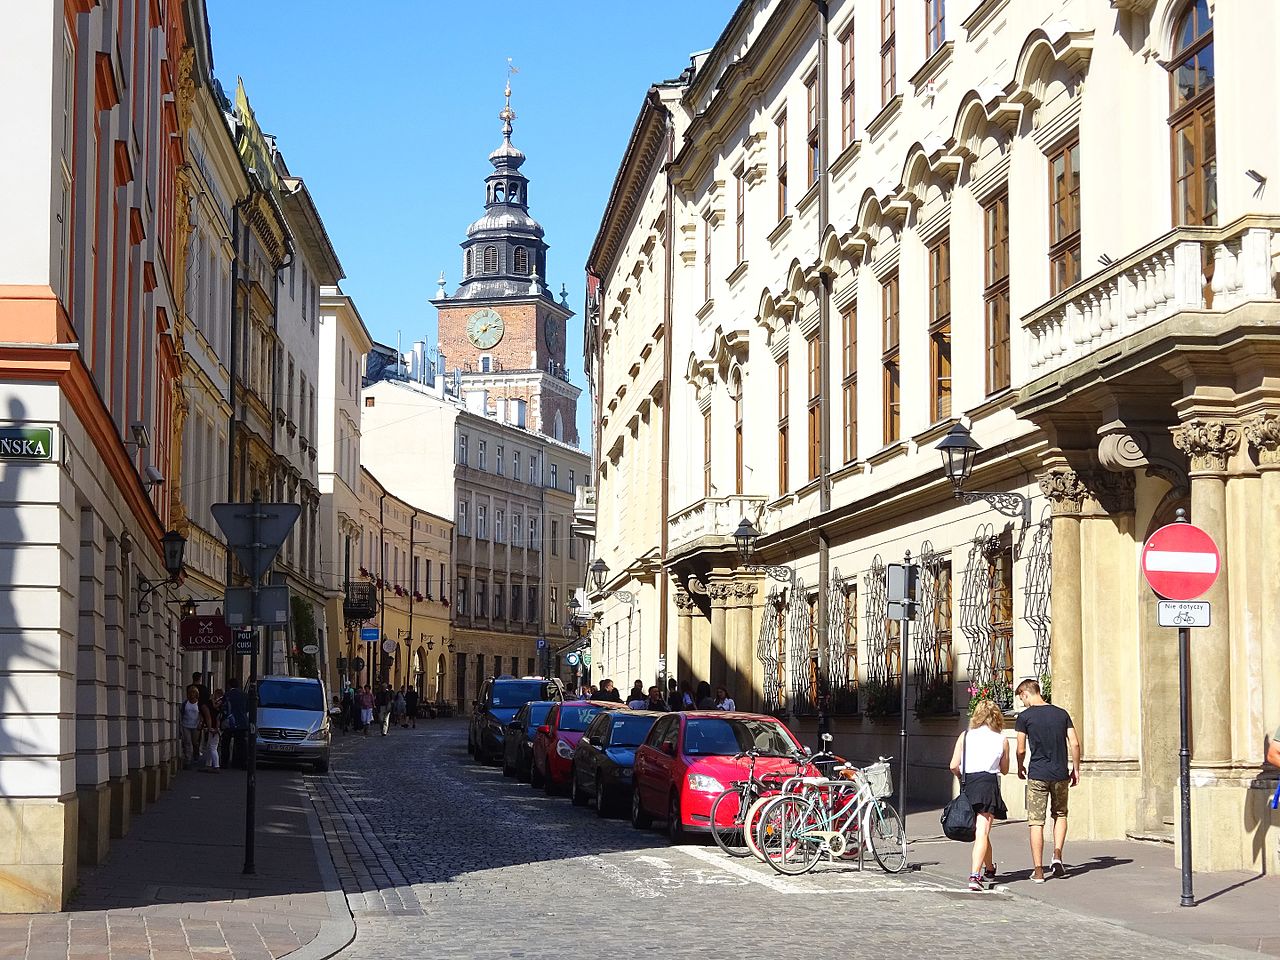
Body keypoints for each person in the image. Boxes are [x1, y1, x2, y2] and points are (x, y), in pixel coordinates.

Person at [1015, 678, 1081, 883]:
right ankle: (1058, 856)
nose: (1023, 703)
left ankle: (1038, 870)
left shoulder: (1024, 717)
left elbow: (1021, 748)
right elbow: (1075, 743)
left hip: (1037, 774)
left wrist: (1019, 767)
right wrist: (1076, 769)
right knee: (1060, 814)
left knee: (1036, 821)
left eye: (1021, 698)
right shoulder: (1061, 714)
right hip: (1060, 772)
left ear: (1026, 693)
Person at [949, 699, 1010, 890]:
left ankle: (990, 868)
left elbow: (953, 765)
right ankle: (975, 876)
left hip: (969, 784)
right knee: (983, 831)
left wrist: (961, 777)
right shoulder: (1002, 739)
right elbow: (1005, 769)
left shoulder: (965, 736)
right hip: (987, 785)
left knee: (981, 832)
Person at [221, 677, 249, 768]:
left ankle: (225, 762)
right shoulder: (244, 695)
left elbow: (224, 708)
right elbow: (248, 708)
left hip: (230, 721)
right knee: (241, 744)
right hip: (241, 721)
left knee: (226, 743)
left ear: (229, 685)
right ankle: (241, 763)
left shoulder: (227, 695)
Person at [179, 685, 203, 769]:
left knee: (195, 742)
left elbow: (201, 714)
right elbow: (181, 713)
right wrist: (180, 723)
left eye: (194, 693)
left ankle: (196, 754)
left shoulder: (198, 703)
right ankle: (188, 760)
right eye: (190, 693)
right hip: (186, 725)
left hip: (195, 726)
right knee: (187, 742)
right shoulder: (185, 703)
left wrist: (200, 722)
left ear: (196, 694)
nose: (192, 694)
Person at [203, 689, 224, 772]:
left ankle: (216, 766)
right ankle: (208, 764)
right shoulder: (221, 701)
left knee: (213, 747)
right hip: (215, 726)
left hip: (216, 728)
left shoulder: (221, 701)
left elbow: (218, 716)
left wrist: (216, 729)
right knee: (209, 746)